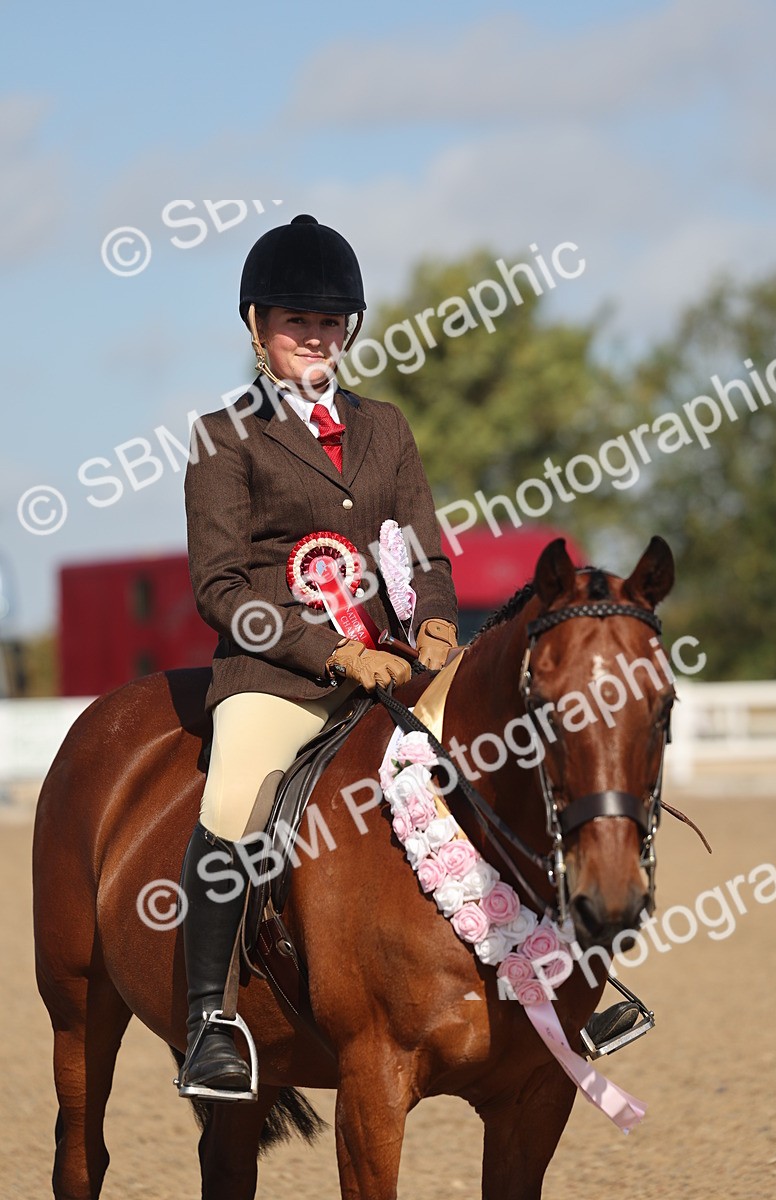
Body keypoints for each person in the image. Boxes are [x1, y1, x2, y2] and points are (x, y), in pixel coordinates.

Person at [179, 214, 459, 1098]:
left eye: (328, 321)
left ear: (350, 330)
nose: (313, 335)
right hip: (279, 676)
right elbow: (221, 588)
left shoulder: (387, 427)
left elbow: (425, 550)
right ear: (257, 326)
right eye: (295, 319)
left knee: (503, 754)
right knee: (235, 796)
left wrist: (437, 623)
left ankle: (549, 971)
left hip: (394, 663)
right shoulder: (223, 435)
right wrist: (333, 652)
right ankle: (207, 1020)